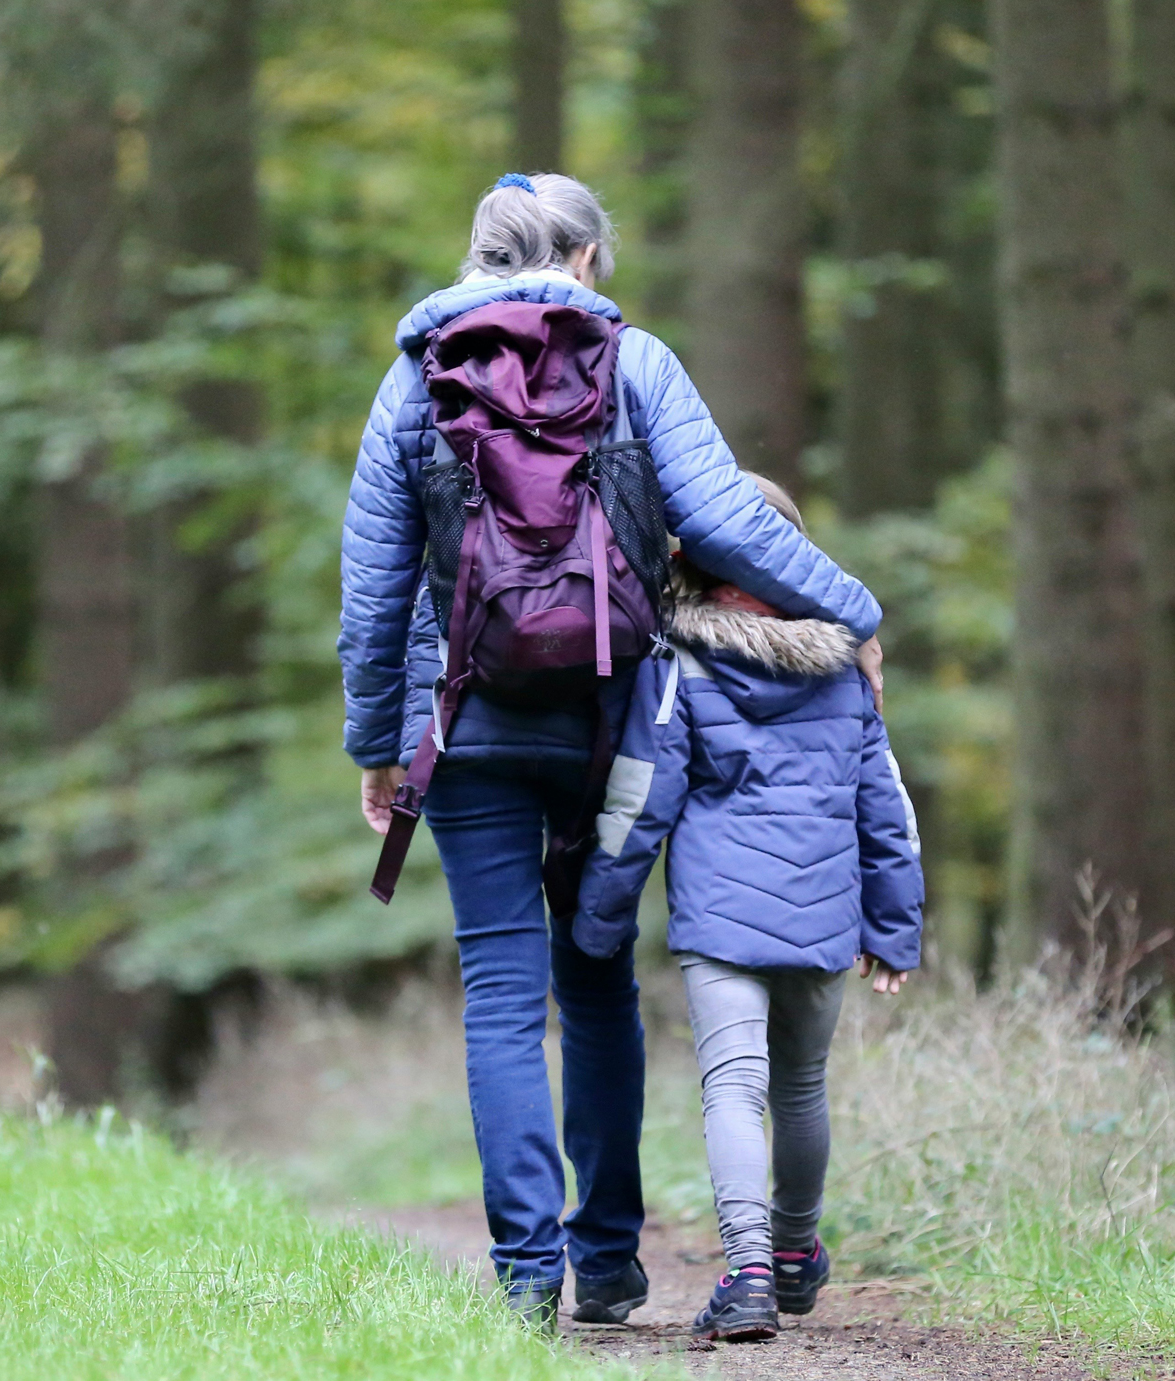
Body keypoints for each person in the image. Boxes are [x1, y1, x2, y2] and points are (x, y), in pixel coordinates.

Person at [339, 172, 886, 1329]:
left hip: (467, 720)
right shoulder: (636, 364)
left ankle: (527, 1273)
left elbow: (373, 587)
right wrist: (854, 611)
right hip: (613, 721)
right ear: (585, 257)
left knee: (498, 989)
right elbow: (729, 520)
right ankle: (610, 1261)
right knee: (594, 979)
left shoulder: (412, 379)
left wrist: (377, 745)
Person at [571, 474, 924, 1342]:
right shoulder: (846, 667)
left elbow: (639, 797)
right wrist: (894, 925)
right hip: (823, 911)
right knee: (801, 1086)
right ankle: (798, 1252)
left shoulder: (679, 662)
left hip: (722, 921)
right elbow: (887, 808)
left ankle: (750, 1273)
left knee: (733, 1088)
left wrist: (599, 916)